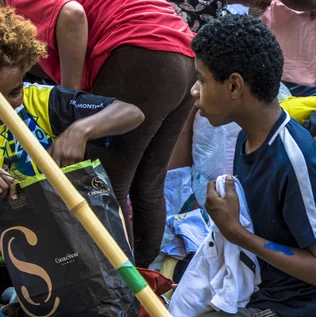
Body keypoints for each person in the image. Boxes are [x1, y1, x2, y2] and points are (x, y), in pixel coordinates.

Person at [125, 15, 316, 317]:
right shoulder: (247, 140)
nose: (194, 91)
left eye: (203, 80)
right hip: (260, 297)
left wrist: (237, 234)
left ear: (235, 85)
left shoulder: (293, 158)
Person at [4, 0, 197, 268]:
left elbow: (72, 14)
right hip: (184, 52)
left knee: (103, 186)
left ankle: (124, 293)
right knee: (147, 184)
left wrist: (72, 105)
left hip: (143, 50)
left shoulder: (13, 5)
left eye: (15, 92)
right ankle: (143, 288)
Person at [0, 7, 143, 199]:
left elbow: (131, 113)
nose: (6, 106)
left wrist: (80, 130)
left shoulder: (42, 100)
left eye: (15, 92)